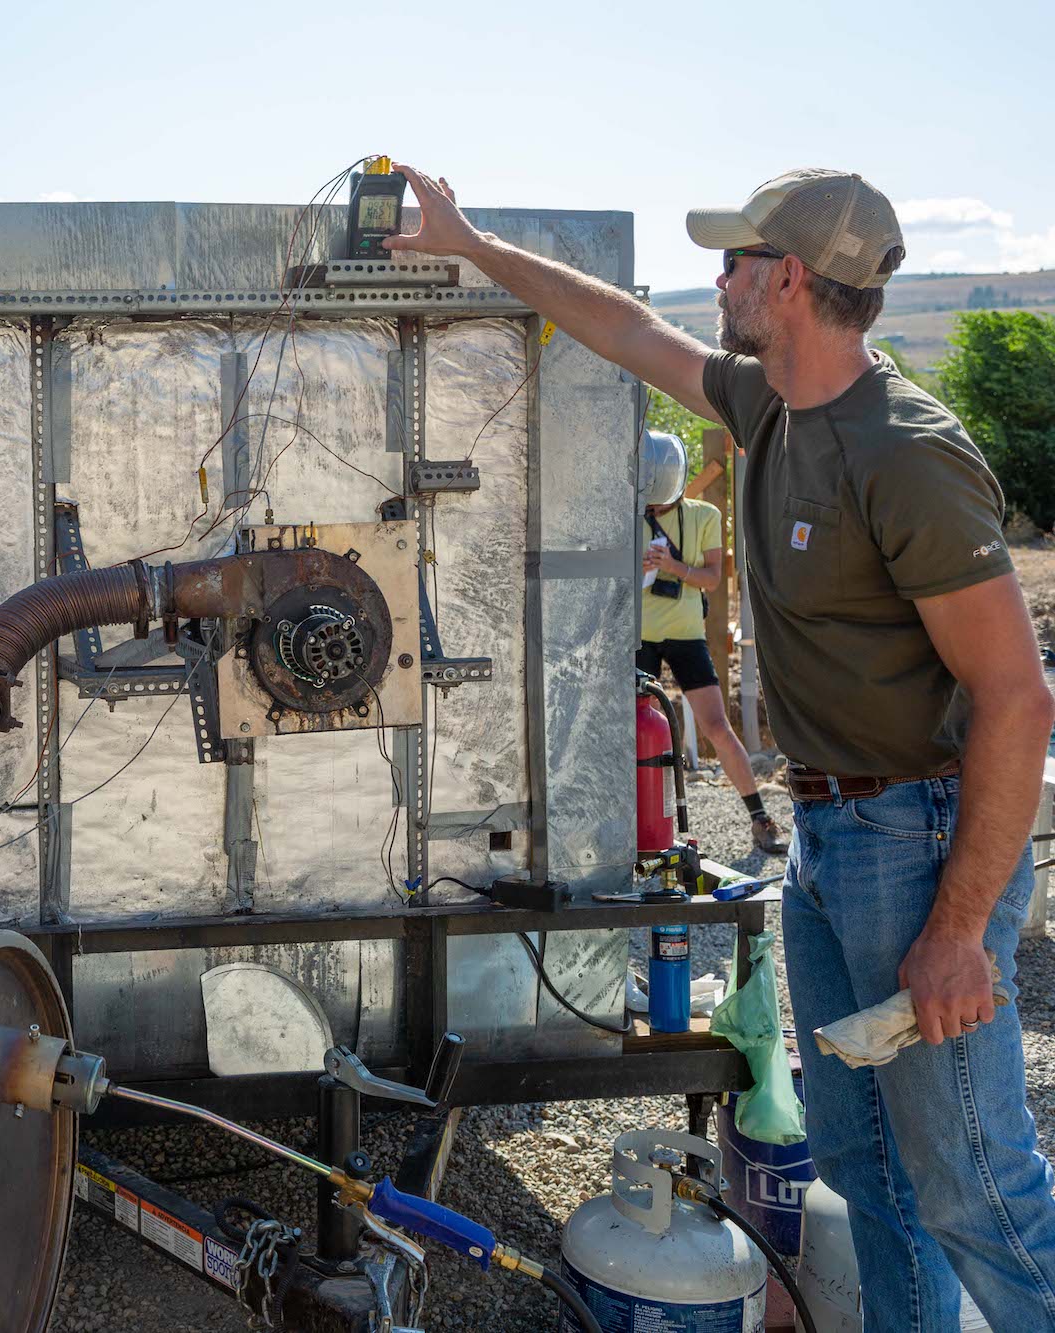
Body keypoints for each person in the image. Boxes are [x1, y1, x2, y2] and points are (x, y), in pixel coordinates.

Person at [384, 165, 1055, 1329]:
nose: (716, 278)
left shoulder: (904, 451)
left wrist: (955, 931)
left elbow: (1016, 697)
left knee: (974, 1186)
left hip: (919, 839)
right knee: (870, 1171)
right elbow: (623, 327)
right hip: (834, 833)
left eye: (735, 259)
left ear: (788, 279)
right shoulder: (767, 404)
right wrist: (472, 243)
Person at [637, 431, 787, 856]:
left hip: (685, 633)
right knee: (629, 728)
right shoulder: (626, 515)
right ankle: (628, 825)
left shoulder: (702, 515)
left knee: (718, 726)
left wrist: (671, 565)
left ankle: (759, 816)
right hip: (639, 634)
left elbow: (711, 579)